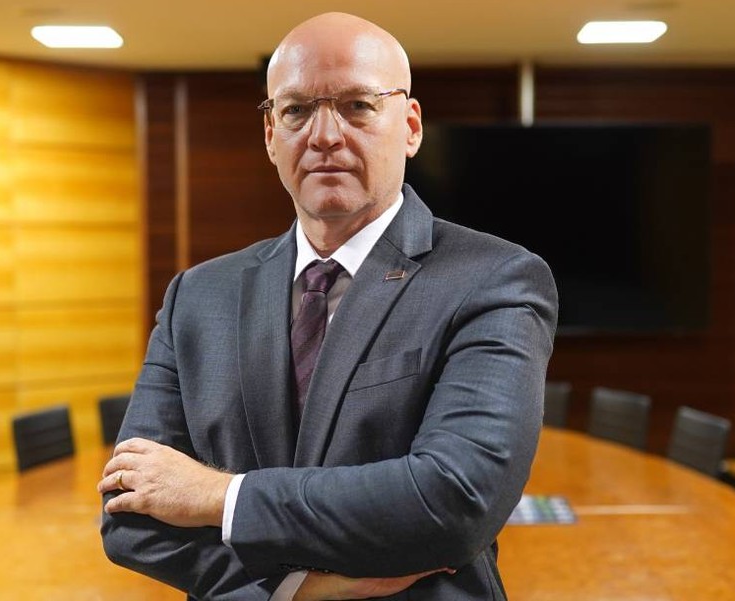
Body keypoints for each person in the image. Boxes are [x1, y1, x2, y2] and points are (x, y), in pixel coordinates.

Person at [97, 11, 558, 600]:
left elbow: (454, 500)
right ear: (271, 135)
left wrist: (219, 496)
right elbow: (130, 516)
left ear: (410, 126)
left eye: (357, 106)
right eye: (296, 110)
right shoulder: (197, 295)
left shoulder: (494, 279)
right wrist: (301, 589)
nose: (324, 136)